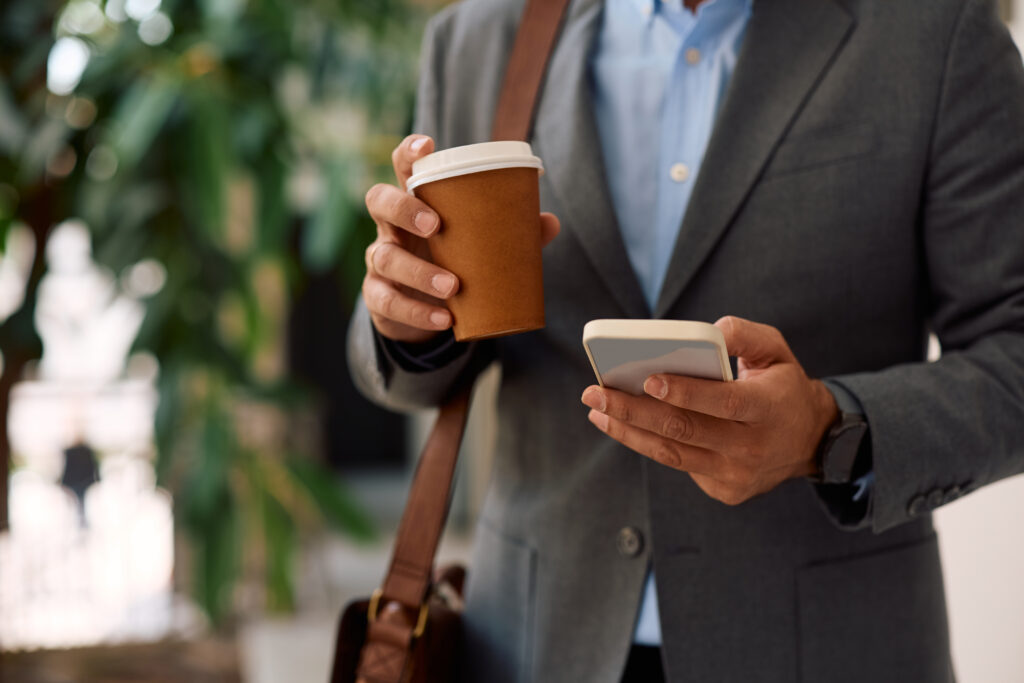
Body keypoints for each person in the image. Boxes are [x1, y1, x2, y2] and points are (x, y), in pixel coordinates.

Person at [347, 0, 1024, 680]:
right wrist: (408, 322)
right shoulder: (477, 41)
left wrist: (829, 429)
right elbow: (418, 359)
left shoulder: (936, 32)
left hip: (828, 645)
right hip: (535, 642)